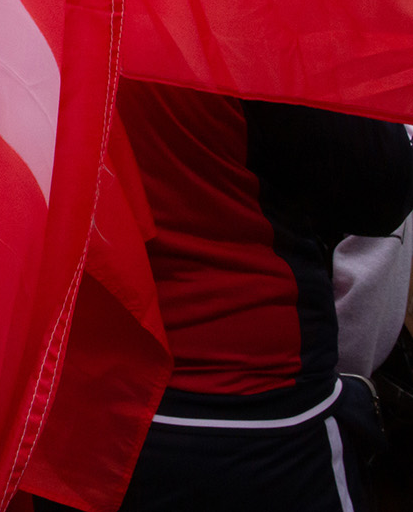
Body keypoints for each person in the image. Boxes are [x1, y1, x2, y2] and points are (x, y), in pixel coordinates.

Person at [35, 79, 413, 512]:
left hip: (66, 408)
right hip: (247, 416)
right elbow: (381, 186)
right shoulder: (240, 19)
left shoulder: (10, 14)